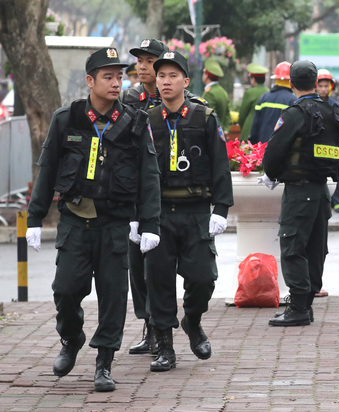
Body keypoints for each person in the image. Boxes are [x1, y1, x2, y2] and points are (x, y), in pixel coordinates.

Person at [25, 47, 161, 392]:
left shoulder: (134, 122)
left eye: (120, 76)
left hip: (115, 223)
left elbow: (149, 177)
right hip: (75, 220)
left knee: (113, 296)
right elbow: (48, 170)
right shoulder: (66, 119)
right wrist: (35, 218)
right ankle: (71, 338)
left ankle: (104, 362)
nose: (117, 83)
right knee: (66, 290)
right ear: (90, 81)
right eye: (108, 76)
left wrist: (149, 224)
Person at [143, 51, 233, 371]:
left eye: (172, 76)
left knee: (203, 277)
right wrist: (135, 215)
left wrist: (220, 208)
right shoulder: (148, 121)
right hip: (159, 213)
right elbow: (135, 170)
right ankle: (165, 346)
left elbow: (221, 165)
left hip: (196, 211)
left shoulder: (204, 117)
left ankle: (193, 320)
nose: (165, 82)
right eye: (161, 76)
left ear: (186, 81)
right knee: (159, 280)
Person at [124, 38, 207, 357]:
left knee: (194, 272)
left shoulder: (192, 105)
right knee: (141, 268)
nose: (142, 66)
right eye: (140, 61)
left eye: (150, 61)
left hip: (181, 201)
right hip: (139, 198)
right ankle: (153, 328)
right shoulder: (129, 99)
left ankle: (187, 322)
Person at [260, 60, 339, 326]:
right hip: (322, 190)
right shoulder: (331, 109)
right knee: (316, 248)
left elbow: (274, 151)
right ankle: (305, 305)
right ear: (316, 81)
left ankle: (297, 308)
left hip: (299, 190)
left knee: (293, 246)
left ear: (292, 84)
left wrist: (271, 173)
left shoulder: (295, 113)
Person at [317, 69, 339, 226]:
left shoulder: (336, 105)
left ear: (331, 86)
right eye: (321, 85)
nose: (323, 89)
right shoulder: (311, 103)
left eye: (326, 85)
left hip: (332, 148)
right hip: (316, 148)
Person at [249, 61, 296, 144]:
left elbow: (255, 124)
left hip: (262, 146)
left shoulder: (264, 97)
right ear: (291, 80)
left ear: (275, 79)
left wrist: (253, 143)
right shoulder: (293, 100)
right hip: (281, 148)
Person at [238, 63, 269, 141]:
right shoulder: (268, 92)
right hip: (264, 132)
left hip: (249, 131)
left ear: (253, 79)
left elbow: (242, 115)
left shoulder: (249, 92)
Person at [202, 58, 231, 134]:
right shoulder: (223, 91)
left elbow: (209, 119)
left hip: (213, 134)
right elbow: (227, 115)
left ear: (206, 76)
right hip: (221, 133)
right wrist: (225, 130)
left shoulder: (209, 93)